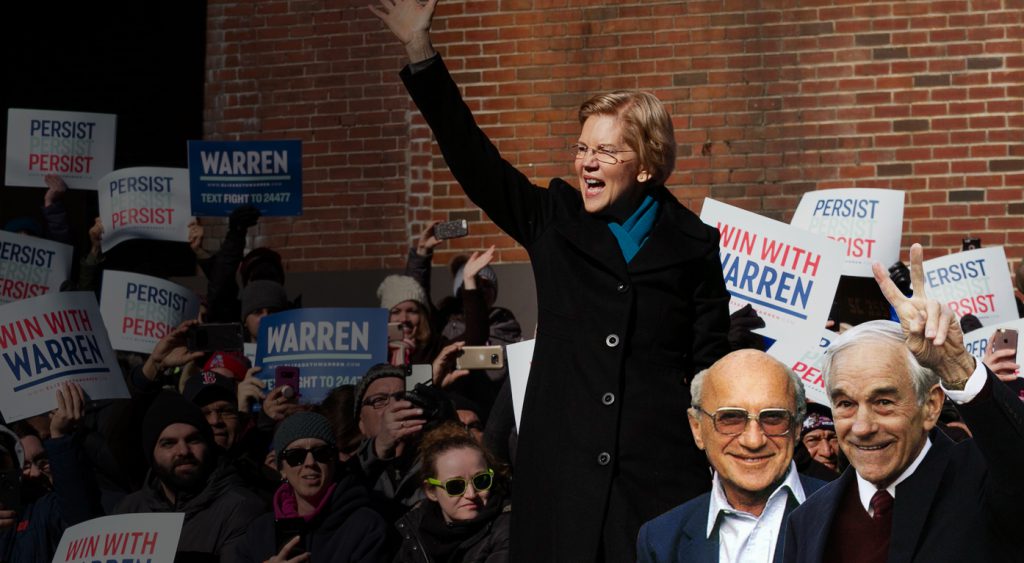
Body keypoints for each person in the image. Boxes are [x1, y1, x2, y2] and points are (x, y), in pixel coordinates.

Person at [369, 1, 732, 559]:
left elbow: (710, 366)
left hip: (657, 490)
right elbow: (474, 160)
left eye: (605, 150)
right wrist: (420, 52)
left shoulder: (694, 246)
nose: (586, 162)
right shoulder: (552, 220)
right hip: (562, 490)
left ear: (646, 164)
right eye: (582, 148)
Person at [784, 244, 1024, 563]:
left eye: (883, 401)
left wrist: (957, 366)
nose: (862, 427)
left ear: (931, 407)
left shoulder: (981, 479)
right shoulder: (808, 519)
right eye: (845, 404)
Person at [637, 350, 824, 563]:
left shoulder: (850, 512)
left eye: (773, 417)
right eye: (731, 418)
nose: (753, 441)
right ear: (697, 428)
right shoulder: (661, 540)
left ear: (797, 427)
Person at [113, 390, 265, 562]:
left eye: (193, 440)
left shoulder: (240, 509)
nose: (183, 451)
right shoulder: (128, 510)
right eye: (168, 443)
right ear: (151, 454)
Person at [234, 412, 388, 563]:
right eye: (296, 456)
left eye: (321, 453)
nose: (310, 462)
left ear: (334, 461)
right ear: (281, 469)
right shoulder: (259, 531)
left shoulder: (365, 526)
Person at [394, 421, 510, 563]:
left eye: (481, 481)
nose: (471, 494)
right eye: (455, 486)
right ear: (431, 491)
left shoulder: (506, 527)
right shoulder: (416, 534)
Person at [378, 274, 442, 365]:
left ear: (422, 315)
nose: (404, 319)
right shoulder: (373, 352)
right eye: (396, 312)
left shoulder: (436, 349)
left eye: (412, 311)